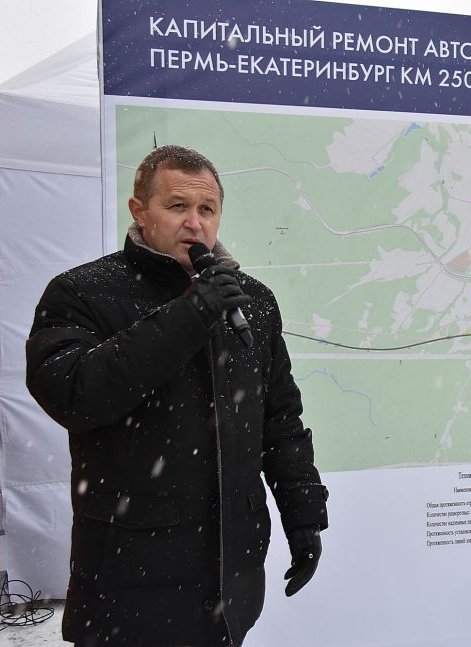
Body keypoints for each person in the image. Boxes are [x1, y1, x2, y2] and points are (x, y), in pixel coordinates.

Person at [25, 145, 328, 646]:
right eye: (177, 206)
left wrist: (303, 514)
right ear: (139, 211)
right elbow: (73, 395)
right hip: (128, 585)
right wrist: (190, 314)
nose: (194, 222)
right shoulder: (81, 292)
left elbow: (280, 421)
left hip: (230, 579)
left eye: (207, 209)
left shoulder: (252, 302)